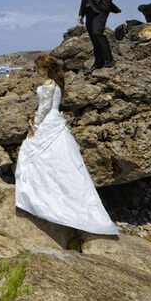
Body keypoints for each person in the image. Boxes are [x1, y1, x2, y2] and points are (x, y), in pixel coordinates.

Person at [14, 54, 118, 236]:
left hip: (48, 122)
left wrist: (34, 125)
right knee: (61, 164)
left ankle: (38, 200)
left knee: (31, 154)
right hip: (57, 121)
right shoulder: (58, 84)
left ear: (44, 69)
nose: (37, 72)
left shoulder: (48, 85)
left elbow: (44, 108)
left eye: (38, 68)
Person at [78, 0, 120, 74]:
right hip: (89, 12)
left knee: (97, 33)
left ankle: (109, 61)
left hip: (99, 10)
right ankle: (98, 63)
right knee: (93, 36)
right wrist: (81, 14)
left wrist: (104, 7)